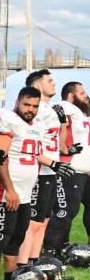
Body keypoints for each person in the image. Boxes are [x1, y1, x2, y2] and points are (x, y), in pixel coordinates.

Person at [0, 87, 72, 280]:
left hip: (25, 192)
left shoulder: (37, 124)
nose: (30, 109)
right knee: (0, 237)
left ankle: (9, 279)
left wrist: (54, 163)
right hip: (5, 192)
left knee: (17, 237)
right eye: (26, 104)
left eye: (34, 106)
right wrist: (10, 189)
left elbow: (33, 153)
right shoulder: (5, 118)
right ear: (18, 101)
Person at [17, 70, 68, 265]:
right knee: (32, 223)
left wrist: (63, 123)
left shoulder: (50, 110)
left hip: (51, 171)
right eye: (49, 80)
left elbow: (57, 143)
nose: (54, 83)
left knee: (44, 221)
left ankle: (34, 262)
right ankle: (23, 266)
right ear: (37, 86)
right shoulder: (36, 112)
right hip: (39, 170)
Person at [42, 82, 90, 255]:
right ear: (71, 96)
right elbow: (55, 112)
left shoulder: (81, 113)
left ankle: (61, 246)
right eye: (82, 92)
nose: (86, 96)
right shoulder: (65, 106)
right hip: (70, 169)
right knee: (66, 210)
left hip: (83, 171)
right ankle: (47, 250)